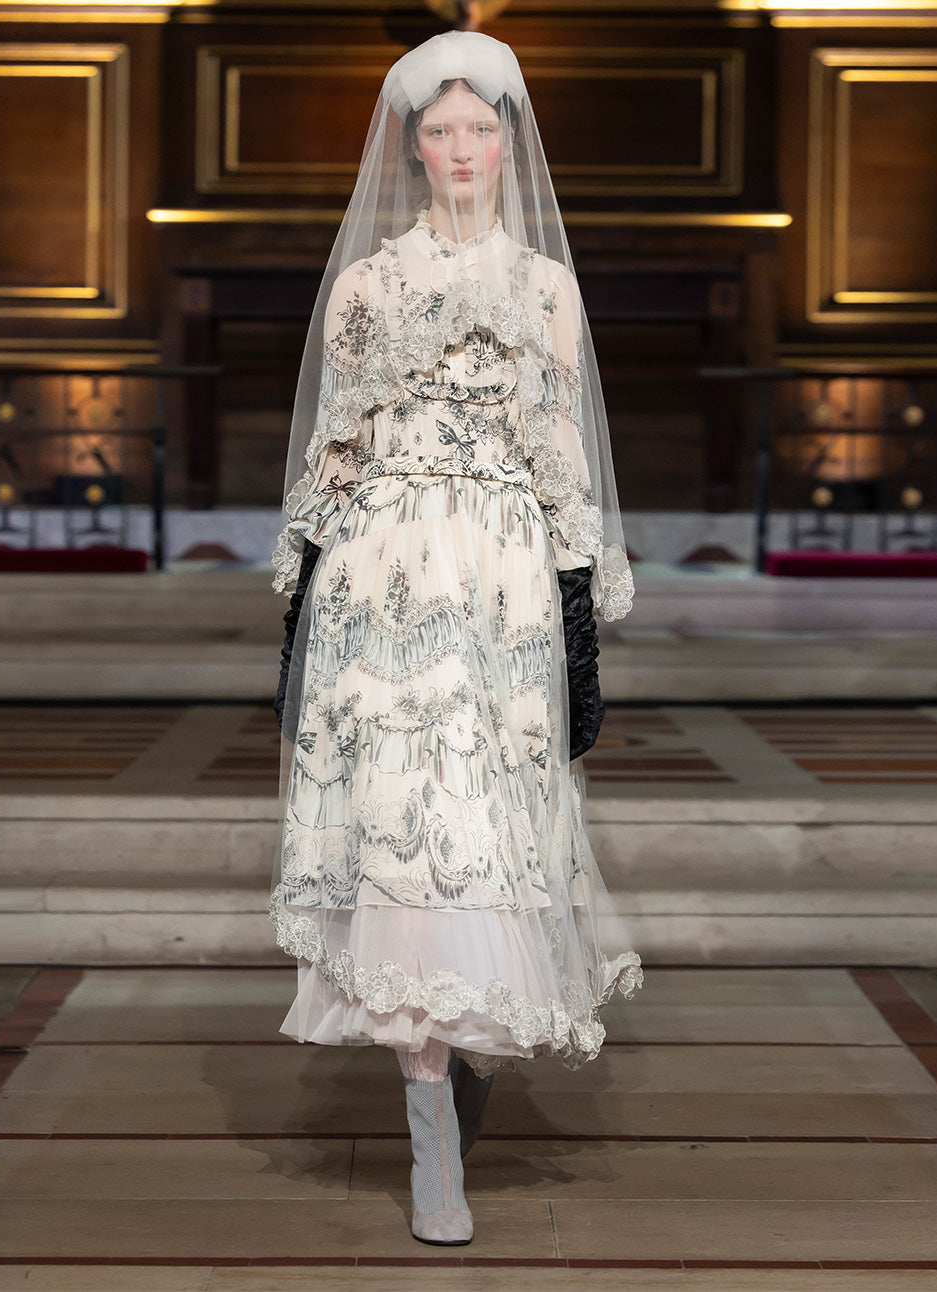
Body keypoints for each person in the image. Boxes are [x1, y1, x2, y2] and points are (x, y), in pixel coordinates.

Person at [269, 30, 642, 1247]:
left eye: (481, 128)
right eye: (441, 129)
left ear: (509, 142)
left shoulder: (545, 288)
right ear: (412, 146)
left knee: (488, 830)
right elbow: (333, 450)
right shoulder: (366, 287)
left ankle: (467, 1049)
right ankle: (432, 1128)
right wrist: (302, 594)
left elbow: (563, 457)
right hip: (383, 589)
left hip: (505, 587)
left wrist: (580, 607)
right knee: (401, 833)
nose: (463, 148)